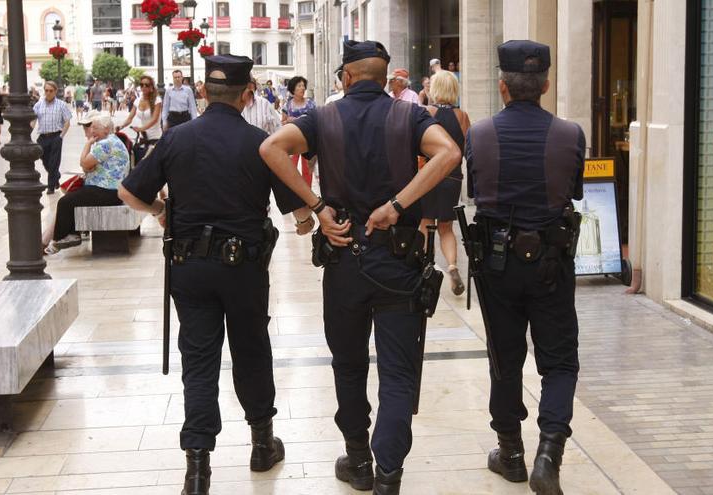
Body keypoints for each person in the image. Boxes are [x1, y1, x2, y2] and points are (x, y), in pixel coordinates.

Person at [259, 40, 461, 495]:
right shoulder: (408, 116)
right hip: (399, 260)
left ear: (346, 78)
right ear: (386, 77)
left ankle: (358, 460)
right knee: (397, 371)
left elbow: (272, 148)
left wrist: (316, 206)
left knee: (348, 365)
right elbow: (448, 153)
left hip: (345, 259)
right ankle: (389, 473)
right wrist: (397, 204)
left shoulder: (322, 117)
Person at [118, 54, 314, 495]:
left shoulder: (176, 138)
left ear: (203, 92)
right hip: (243, 268)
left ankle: (198, 468)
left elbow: (127, 191)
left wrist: (160, 210)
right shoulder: (260, 143)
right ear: (248, 94)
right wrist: (306, 222)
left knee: (199, 361)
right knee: (251, 349)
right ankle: (262, 444)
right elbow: (299, 209)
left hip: (189, 268)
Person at [466, 40, 585, 495]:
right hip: (552, 262)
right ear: (546, 85)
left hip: (497, 261)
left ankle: (510, 452)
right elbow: (573, 190)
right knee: (559, 362)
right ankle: (548, 454)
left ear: (503, 86)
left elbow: (476, 190)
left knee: (505, 357)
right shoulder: (570, 134)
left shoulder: (478, 134)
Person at [43, 114, 129, 254]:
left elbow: (84, 163)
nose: (92, 131)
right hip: (112, 190)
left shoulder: (105, 144)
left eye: (95, 127)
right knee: (73, 199)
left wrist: (87, 144)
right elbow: (87, 167)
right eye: (91, 127)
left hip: (106, 191)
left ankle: (64, 237)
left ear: (106, 129)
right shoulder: (113, 141)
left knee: (65, 202)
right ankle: (69, 234)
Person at [419, 70, 469, 295]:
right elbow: (468, 149)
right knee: (446, 228)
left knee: (425, 224)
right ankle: (452, 266)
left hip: (429, 176)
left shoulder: (427, 112)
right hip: (453, 178)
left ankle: (423, 266)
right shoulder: (462, 116)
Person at [33, 81, 72, 194]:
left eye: (51, 91)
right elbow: (33, 120)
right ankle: (56, 176)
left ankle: (50, 187)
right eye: (46, 90)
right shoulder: (38, 105)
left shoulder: (61, 105)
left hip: (56, 136)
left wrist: (61, 136)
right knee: (46, 162)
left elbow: (67, 122)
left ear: (55, 91)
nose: (48, 93)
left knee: (54, 162)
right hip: (42, 137)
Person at [281, 76, 317, 188]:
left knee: (308, 168)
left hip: (308, 140)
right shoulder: (287, 105)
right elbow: (283, 122)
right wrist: (288, 121)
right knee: (292, 167)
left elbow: (316, 120)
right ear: (293, 89)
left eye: (303, 86)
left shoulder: (311, 104)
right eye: (299, 86)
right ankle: (294, 192)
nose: (302, 88)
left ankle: (308, 195)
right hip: (292, 140)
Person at [119, 75, 163, 164]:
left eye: (146, 85)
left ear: (151, 87)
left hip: (155, 137)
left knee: (154, 165)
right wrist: (121, 126)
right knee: (141, 164)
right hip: (143, 138)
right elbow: (130, 118)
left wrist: (141, 129)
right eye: (142, 85)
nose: (143, 87)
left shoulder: (157, 100)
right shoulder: (137, 101)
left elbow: (154, 119)